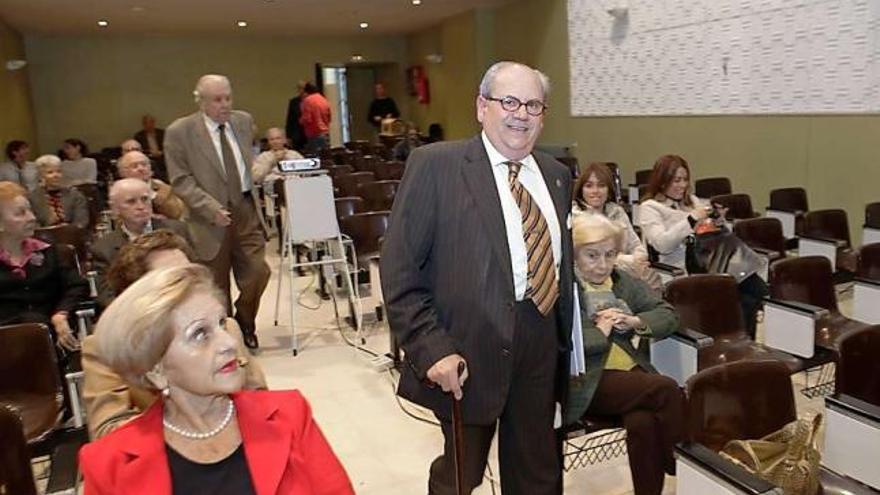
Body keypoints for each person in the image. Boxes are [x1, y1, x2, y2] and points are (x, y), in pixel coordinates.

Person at [381, 61, 573, 494]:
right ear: (481, 106)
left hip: (541, 342)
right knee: (461, 474)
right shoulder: (436, 166)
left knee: (538, 473)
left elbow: (561, 266)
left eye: (533, 105)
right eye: (508, 101)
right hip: (466, 350)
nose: (520, 114)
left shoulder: (557, 176)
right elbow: (399, 268)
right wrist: (431, 349)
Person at [78, 264, 354, 494]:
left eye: (222, 323)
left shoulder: (290, 413)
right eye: (200, 334)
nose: (228, 343)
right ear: (157, 371)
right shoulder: (108, 463)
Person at [82, 231, 268, 439]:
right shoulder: (106, 350)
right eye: (174, 280)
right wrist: (193, 428)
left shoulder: (226, 328)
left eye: (190, 275)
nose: (189, 286)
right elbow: (107, 431)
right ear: (140, 299)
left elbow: (261, 398)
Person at [565, 214, 683, 495]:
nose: (603, 264)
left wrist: (635, 322)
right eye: (592, 255)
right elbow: (563, 343)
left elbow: (668, 314)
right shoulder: (565, 287)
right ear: (574, 254)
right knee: (666, 388)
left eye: (610, 254)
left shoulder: (621, 280)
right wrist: (602, 328)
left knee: (643, 422)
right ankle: (684, 460)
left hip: (630, 379)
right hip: (588, 381)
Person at [164, 74, 270, 349]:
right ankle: (226, 333)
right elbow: (180, 180)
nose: (224, 105)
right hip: (208, 220)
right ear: (200, 102)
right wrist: (210, 208)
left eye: (228, 98)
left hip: (245, 210)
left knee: (258, 273)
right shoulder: (180, 131)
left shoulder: (243, 121)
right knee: (216, 285)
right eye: (217, 100)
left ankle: (245, 321)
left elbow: (247, 161)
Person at [640, 154, 767, 337]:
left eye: (684, 180)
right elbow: (663, 244)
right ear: (662, 181)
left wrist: (718, 221)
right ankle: (741, 340)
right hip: (680, 269)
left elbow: (712, 235)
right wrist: (691, 219)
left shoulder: (692, 201)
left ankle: (743, 341)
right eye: (676, 180)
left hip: (710, 262)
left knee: (750, 294)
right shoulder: (650, 207)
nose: (682, 185)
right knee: (746, 290)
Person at [0, 180, 88, 351]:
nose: (32, 217)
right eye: (21, 213)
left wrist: (61, 314)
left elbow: (77, 286)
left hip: (53, 340)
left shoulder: (48, 251)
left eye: (30, 210)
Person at [90, 178, 190, 306]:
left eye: (145, 199)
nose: (140, 206)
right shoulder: (103, 248)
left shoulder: (177, 230)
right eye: (131, 202)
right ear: (115, 209)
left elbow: (194, 272)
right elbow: (106, 296)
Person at [573, 162, 661, 293]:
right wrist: (629, 262)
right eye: (589, 186)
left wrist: (638, 260)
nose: (595, 191)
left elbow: (638, 247)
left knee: (653, 279)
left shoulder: (617, 211)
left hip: (627, 274)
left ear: (608, 189)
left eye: (601, 185)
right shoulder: (575, 217)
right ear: (581, 190)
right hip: (593, 278)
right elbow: (591, 258)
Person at [117, 150, 186, 219]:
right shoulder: (119, 192)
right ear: (123, 172)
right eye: (135, 166)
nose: (141, 168)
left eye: (144, 165)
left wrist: (153, 194)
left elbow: (176, 213)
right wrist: (152, 217)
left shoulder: (162, 187)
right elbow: (120, 218)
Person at [29, 154, 89, 229]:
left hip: (73, 234)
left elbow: (81, 220)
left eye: (58, 171)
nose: (56, 175)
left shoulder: (74, 194)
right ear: (41, 176)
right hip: (44, 236)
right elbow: (33, 224)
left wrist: (68, 229)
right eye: (50, 172)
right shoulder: (32, 197)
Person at [299, 82, 331, 155]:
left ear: (306, 91)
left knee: (314, 158)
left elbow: (307, 118)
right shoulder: (323, 99)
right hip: (325, 133)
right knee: (325, 156)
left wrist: (300, 121)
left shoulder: (307, 100)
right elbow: (329, 117)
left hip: (314, 133)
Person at [284, 81, 307, 152]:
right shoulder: (294, 102)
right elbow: (289, 120)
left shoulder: (313, 101)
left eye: (304, 88)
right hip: (297, 135)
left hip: (310, 134)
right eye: (300, 88)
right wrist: (288, 137)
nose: (302, 90)